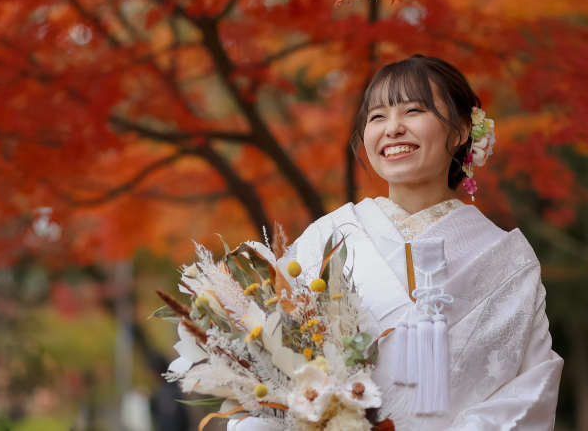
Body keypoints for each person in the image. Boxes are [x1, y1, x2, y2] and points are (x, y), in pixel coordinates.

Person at [228, 55, 563, 430]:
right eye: (377, 117)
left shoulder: (509, 260)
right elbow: (276, 370)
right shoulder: (327, 238)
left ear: (461, 130)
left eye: (414, 111)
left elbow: (531, 388)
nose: (392, 128)